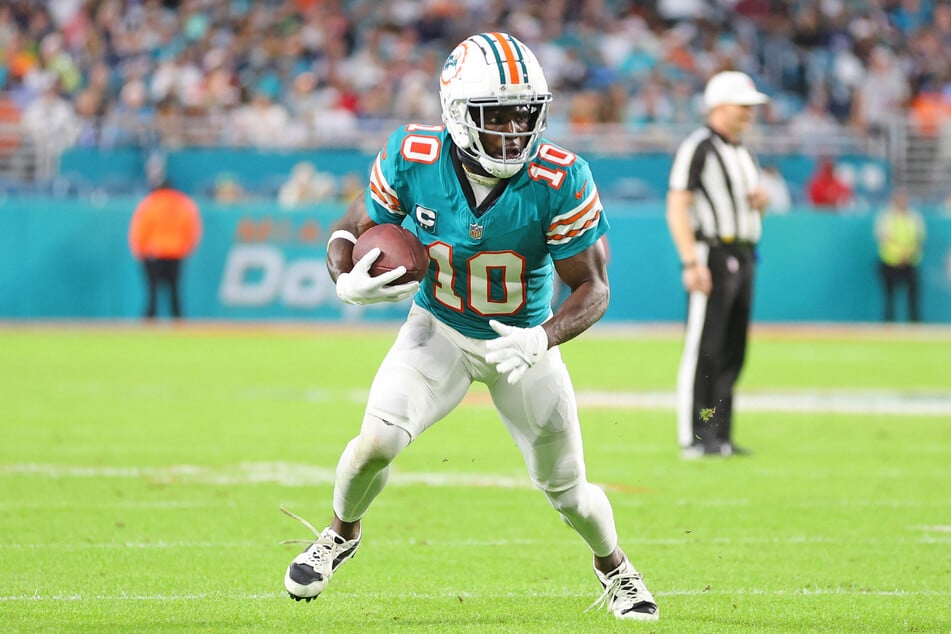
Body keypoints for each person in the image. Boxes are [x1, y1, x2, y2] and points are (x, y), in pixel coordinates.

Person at [280, 33, 658, 622]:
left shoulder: (561, 177)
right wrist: (342, 274)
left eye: (524, 114)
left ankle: (615, 568)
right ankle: (340, 533)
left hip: (520, 344)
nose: (513, 131)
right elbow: (352, 225)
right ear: (456, 114)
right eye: (497, 116)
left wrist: (543, 337)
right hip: (440, 328)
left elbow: (594, 288)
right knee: (374, 445)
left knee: (569, 492)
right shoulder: (414, 154)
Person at [665, 70, 771, 459]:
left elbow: (751, 204)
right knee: (704, 349)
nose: (749, 114)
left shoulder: (743, 152)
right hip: (713, 252)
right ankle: (694, 435)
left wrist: (762, 202)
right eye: (742, 106)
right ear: (720, 106)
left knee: (732, 349)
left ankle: (720, 434)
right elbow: (678, 204)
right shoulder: (699, 147)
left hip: (744, 253)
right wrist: (691, 260)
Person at [128, 182, 202, 319]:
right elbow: (191, 227)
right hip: (176, 252)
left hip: (154, 252)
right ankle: (178, 322)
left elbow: (140, 228)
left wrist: (139, 249)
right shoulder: (182, 203)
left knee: (152, 292)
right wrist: (188, 247)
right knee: (175, 291)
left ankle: (150, 321)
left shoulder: (151, 202)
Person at [874, 188, 926, 322]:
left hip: (910, 263)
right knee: (889, 296)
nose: (902, 201)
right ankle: (888, 325)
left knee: (913, 297)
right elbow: (883, 239)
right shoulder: (886, 217)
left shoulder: (914, 217)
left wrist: (908, 255)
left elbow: (920, 239)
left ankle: (915, 325)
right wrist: (898, 256)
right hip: (890, 262)